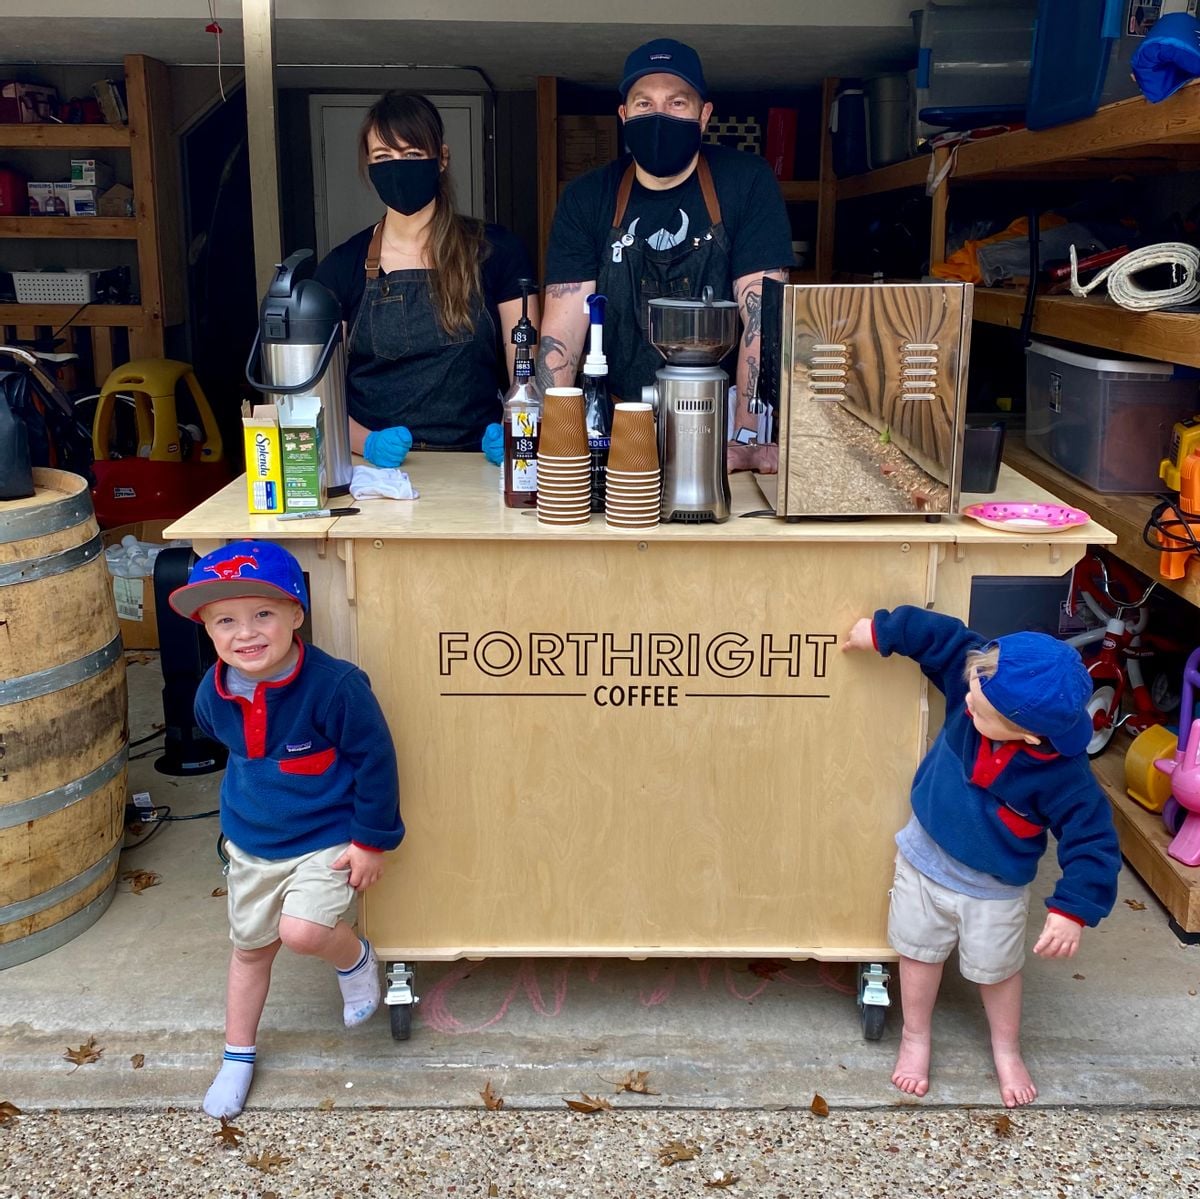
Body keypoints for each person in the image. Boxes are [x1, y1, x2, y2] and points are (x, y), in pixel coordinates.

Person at [841, 606, 1120, 1108]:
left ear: (1029, 735)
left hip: (994, 891)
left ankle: (1006, 1049)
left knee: (998, 972)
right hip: (923, 862)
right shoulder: (980, 682)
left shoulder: (1066, 778)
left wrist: (1073, 909)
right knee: (918, 955)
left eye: (981, 708)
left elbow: (1093, 840)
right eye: (971, 689)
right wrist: (881, 632)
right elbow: (945, 640)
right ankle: (915, 1037)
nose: (966, 700)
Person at [168, 540, 404, 1119]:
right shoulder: (210, 694)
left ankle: (354, 960)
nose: (246, 633)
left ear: (296, 614)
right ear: (206, 628)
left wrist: (371, 840)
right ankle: (237, 1055)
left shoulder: (337, 687)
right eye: (225, 621)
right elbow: (228, 743)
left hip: (327, 838)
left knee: (302, 931)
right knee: (250, 951)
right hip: (252, 842)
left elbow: (375, 761)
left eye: (263, 613)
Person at [537, 38, 794, 471]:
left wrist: (746, 438)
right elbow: (563, 329)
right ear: (624, 116)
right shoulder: (587, 196)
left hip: (720, 430)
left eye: (677, 103)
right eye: (644, 104)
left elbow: (762, 317)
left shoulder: (746, 182)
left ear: (704, 115)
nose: (659, 116)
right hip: (614, 423)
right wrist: (550, 434)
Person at [315, 91, 537, 467]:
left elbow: (527, 369)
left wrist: (516, 430)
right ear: (368, 165)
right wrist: (366, 443)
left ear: (442, 158)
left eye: (412, 154)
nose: (397, 167)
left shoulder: (497, 252)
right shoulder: (342, 266)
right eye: (382, 157)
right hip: (374, 472)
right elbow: (319, 393)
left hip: (476, 465)